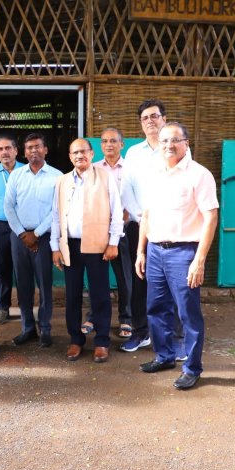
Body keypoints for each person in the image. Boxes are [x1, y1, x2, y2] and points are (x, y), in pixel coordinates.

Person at [135, 123, 218, 390]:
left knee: (188, 314)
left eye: (175, 140)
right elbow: (146, 215)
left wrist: (199, 259)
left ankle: (192, 368)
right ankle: (164, 356)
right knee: (156, 309)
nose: (169, 145)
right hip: (156, 251)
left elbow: (211, 217)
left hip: (184, 253)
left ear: (186, 142)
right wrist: (141, 251)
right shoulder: (154, 173)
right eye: (164, 141)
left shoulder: (199, 174)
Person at [51, 138, 123, 363]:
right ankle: (76, 340)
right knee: (72, 295)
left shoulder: (105, 177)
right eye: (74, 153)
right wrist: (55, 247)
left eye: (83, 151)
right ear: (70, 157)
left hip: (96, 245)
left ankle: (102, 341)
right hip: (70, 246)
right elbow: (55, 215)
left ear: (92, 154)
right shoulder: (62, 181)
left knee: (100, 295)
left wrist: (113, 243)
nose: (79, 156)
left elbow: (117, 212)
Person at [4, 133, 62, 347]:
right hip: (19, 237)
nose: (33, 151)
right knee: (23, 284)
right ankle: (28, 328)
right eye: (29, 148)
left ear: (46, 149)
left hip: (44, 238)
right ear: (24, 152)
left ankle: (45, 329)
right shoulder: (16, 175)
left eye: (37, 146)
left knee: (44, 284)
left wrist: (36, 234)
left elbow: (56, 210)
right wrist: (22, 234)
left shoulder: (57, 177)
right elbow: (8, 207)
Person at [119, 99, 165, 353]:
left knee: (168, 282)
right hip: (139, 225)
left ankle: (169, 336)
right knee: (139, 281)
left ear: (164, 119)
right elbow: (126, 189)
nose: (150, 121)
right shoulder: (134, 153)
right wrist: (142, 216)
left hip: (169, 226)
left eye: (155, 116)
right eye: (145, 118)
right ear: (141, 124)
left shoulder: (175, 148)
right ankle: (140, 332)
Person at [89, 127, 132, 339]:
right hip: (97, 230)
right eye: (104, 141)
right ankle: (93, 315)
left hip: (123, 230)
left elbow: (138, 198)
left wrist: (125, 215)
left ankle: (126, 318)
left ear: (121, 144)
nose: (108, 145)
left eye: (113, 141)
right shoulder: (94, 168)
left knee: (125, 277)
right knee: (97, 276)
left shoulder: (131, 169)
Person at [0, 134, 22, 324]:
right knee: (2, 268)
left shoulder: (26, 171)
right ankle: (3, 308)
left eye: (8, 148)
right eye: (0, 149)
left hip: (23, 228)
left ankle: (25, 308)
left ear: (16, 150)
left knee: (22, 268)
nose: (4, 152)